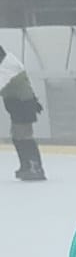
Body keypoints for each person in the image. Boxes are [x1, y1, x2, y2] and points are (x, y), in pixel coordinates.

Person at [0, 44, 46, 182]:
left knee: (24, 136)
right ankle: (26, 165)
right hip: (18, 104)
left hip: (23, 104)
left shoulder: (7, 67)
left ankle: (35, 166)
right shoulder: (8, 63)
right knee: (17, 136)